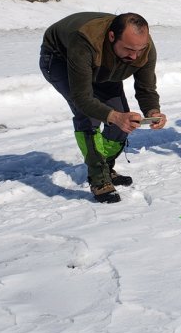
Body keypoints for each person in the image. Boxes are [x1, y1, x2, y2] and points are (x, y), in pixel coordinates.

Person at [40, 12, 168, 203]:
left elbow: (146, 87)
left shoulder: (143, 48)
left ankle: (105, 167)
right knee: (89, 116)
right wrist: (114, 116)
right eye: (129, 49)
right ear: (111, 37)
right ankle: (99, 178)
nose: (134, 56)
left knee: (123, 119)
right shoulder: (85, 41)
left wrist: (152, 111)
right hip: (61, 59)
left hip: (105, 64)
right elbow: (82, 97)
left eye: (139, 50)